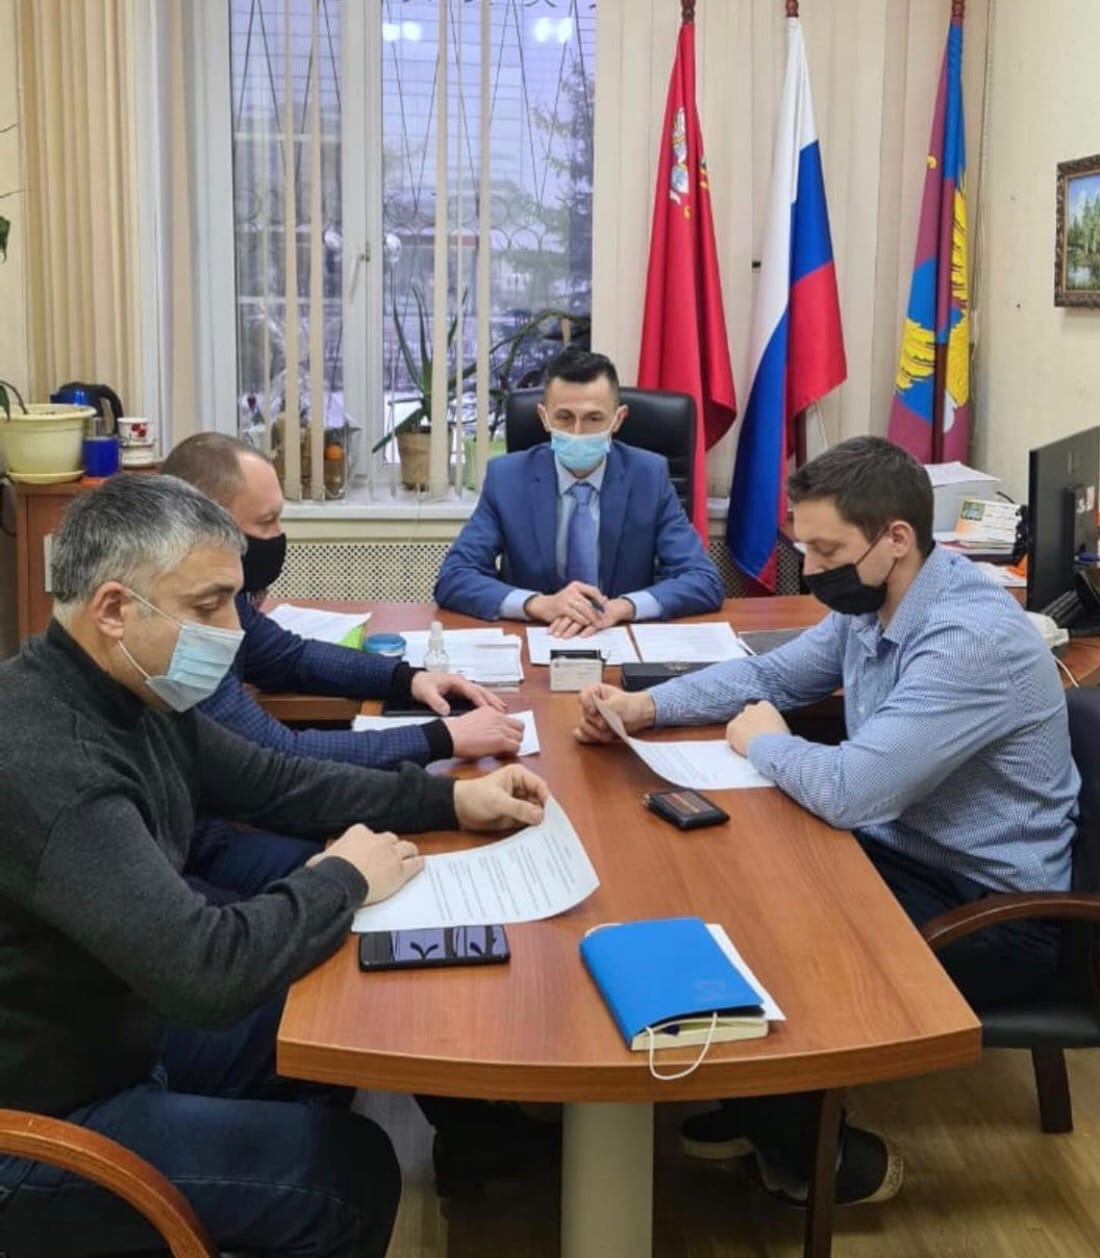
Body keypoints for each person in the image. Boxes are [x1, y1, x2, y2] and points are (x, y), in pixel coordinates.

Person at [0, 474, 549, 1257]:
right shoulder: (54, 763)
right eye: (208, 606)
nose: (232, 631)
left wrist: (451, 802)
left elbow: (278, 780)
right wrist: (342, 877)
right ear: (114, 609)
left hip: (113, 1035)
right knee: (347, 1174)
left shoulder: (130, 695)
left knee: (336, 1009)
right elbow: (204, 971)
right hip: (40, 1122)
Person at [574, 435, 1078, 1207]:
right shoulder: (877, 599)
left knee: (778, 943)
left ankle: (816, 1159)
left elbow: (848, 792)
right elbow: (771, 674)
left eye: (826, 550)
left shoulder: (967, 639)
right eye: (804, 547)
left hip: (988, 908)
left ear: (895, 538)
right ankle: (759, 1099)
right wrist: (645, 706)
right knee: (722, 885)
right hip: (899, 851)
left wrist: (764, 741)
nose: (809, 570)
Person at [162, 432, 526, 902]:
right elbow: (282, 756)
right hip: (190, 861)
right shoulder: (178, 633)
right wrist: (441, 739)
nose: (279, 536)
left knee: (411, 864)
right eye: (267, 522)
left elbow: (292, 657)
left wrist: (407, 679)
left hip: (210, 830)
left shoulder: (217, 599)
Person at [433, 349, 723, 634]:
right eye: (564, 417)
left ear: (618, 419)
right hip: (538, 635)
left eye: (594, 419)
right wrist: (537, 604)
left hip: (618, 636)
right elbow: (455, 577)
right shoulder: (507, 478)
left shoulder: (649, 476)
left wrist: (622, 608)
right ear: (544, 417)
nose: (577, 431)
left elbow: (703, 579)